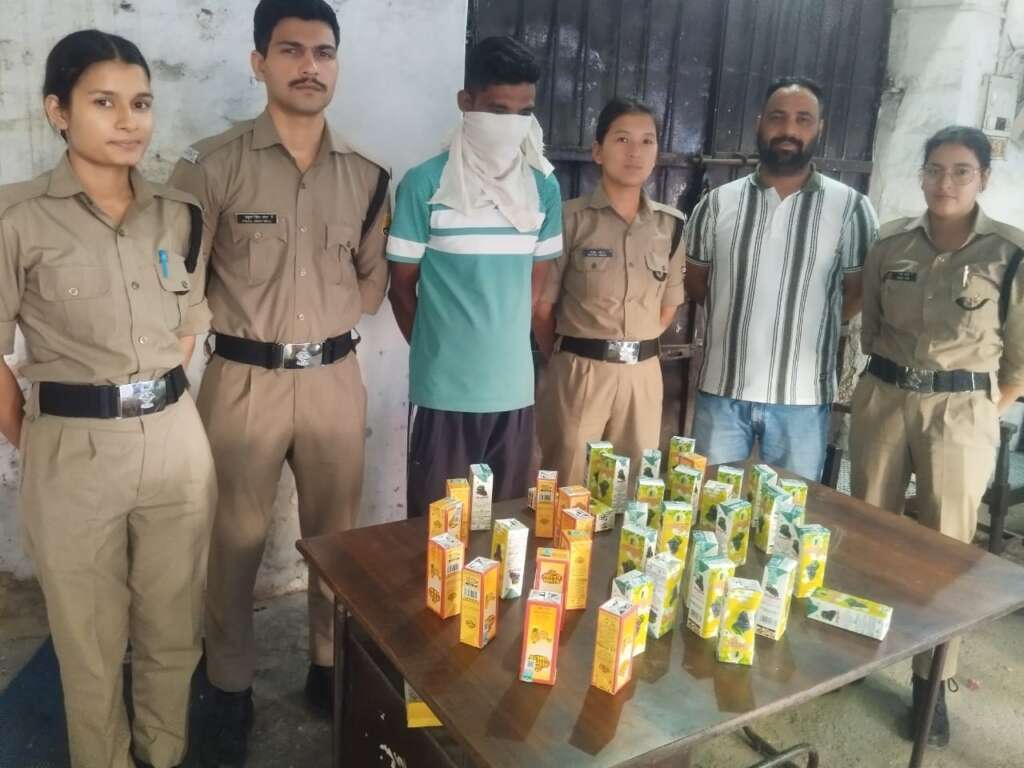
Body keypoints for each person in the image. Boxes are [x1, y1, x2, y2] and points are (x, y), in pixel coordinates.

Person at [168, 0, 389, 762]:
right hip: (242, 378)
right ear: (258, 62)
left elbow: (370, 280)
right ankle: (228, 686)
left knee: (336, 539)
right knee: (231, 541)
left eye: (323, 52)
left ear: (337, 64)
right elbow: (181, 279)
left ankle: (328, 669)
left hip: (332, 377)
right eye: (290, 50)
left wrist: (323, 326)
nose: (309, 66)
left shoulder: (366, 175)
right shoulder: (210, 166)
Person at [0, 30, 216, 768]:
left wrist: (155, 403)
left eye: (141, 103)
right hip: (72, 446)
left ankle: (164, 754)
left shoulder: (180, 214)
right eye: (104, 102)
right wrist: (40, 439)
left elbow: (184, 331)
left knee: (174, 629)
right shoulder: (16, 218)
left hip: (176, 440)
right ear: (58, 112)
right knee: (90, 644)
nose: (129, 121)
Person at [849, 125, 1024, 748]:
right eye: (935, 169)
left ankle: (931, 682)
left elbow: (1019, 361)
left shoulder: (1010, 252)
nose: (945, 182)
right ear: (921, 175)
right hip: (885, 397)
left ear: (983, 179)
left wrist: (980, 412)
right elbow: (871, 328)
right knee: (869, 530)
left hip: (962, 410)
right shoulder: (891, 242)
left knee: (946, 550)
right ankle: (855, 647)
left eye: (960, 171)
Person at [386, 36, 562, 517]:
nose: (511, 124)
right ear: (466, 102)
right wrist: (439, 352)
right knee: (437, 530)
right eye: (497, 110)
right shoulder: (425, 184)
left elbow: (532, 290)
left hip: (513, 392)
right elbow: (401, 289)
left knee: (505, 528)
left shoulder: (542, 188)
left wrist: (498, 347)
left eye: (524, 111)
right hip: (444, 394)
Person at [684, 76, 878, 481]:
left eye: (803, 119)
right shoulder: (717, 203)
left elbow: (856, 293)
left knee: (791, 509)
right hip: (722, 391)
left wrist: (804, 322)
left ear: (819, 127)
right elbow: (698, 283)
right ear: (760, 122)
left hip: (802, 400)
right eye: (778, 117)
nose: (789, 129)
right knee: (712, 505)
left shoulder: (850, 208)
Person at [533, 97, 686, 486]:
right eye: (622, 139)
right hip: (580, 372)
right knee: (567, 482)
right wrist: (569, 360)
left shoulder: (670, 227)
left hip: (643, 376)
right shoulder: (569, 220)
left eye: (647, 141)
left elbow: (667, 307)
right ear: (598, 151)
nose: (635, 152)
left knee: (633, 490)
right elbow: (542, 308)